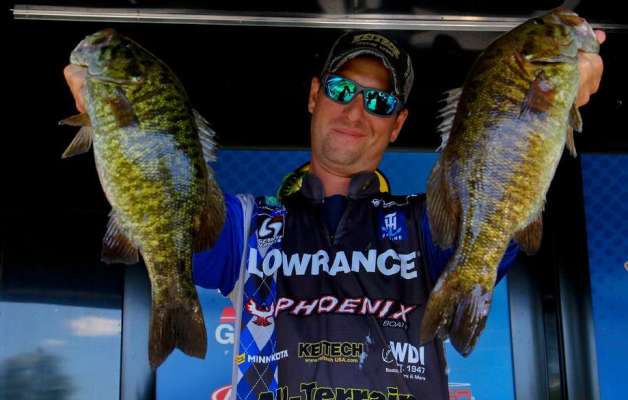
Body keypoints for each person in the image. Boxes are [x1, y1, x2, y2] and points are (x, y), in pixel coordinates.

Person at [64, 28, 604, 400]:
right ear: (314, 96)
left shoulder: (425, 227)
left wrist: (551, 106)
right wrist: (113, 117)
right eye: (342, 89)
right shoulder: (248, 227)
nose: (355, 111)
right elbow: (163, 201)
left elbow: (500, 203)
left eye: (380, 101)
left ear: (397, 124)